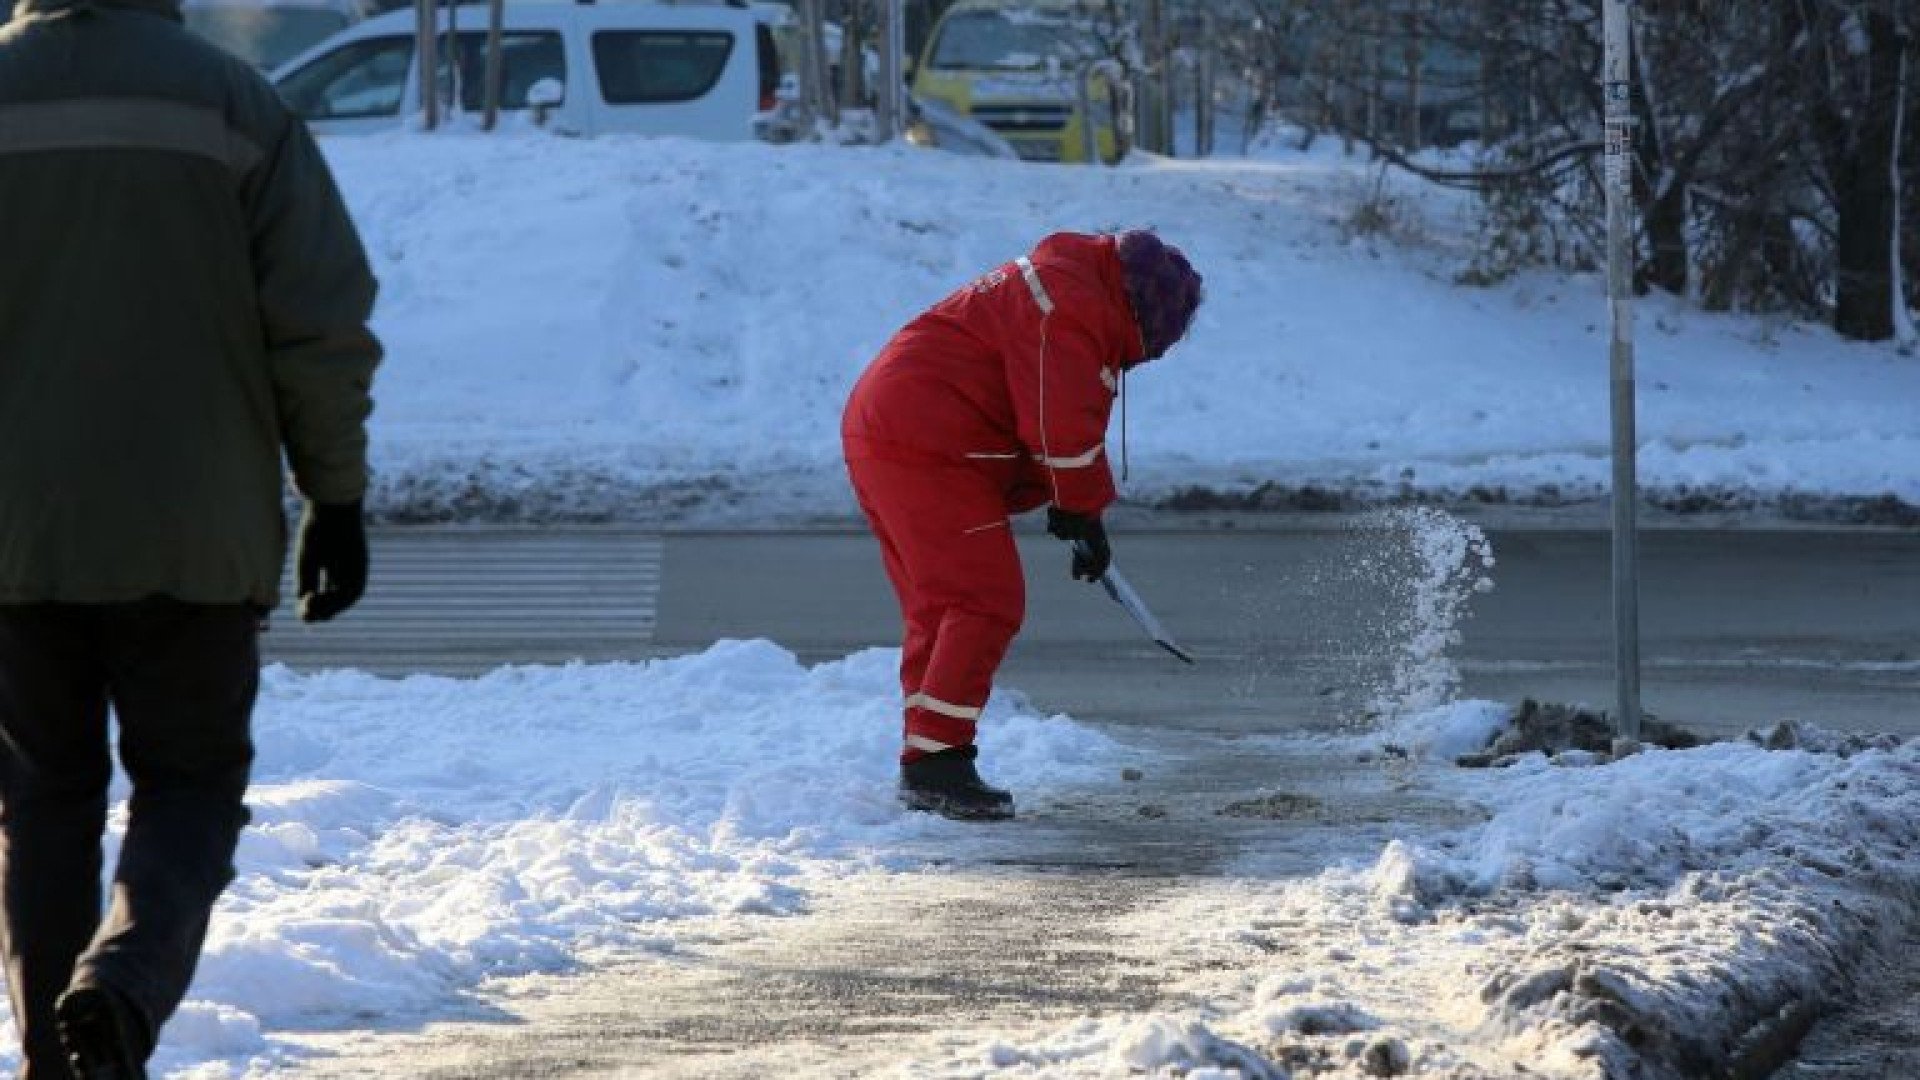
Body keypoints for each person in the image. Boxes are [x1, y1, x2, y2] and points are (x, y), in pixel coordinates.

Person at [0, 0, 380, 1074]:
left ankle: (51, 1061)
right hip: (195, 531)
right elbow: (319, 321)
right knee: (191, 786)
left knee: (40, 798)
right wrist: (334, 499)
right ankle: (120, 985)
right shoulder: (231, 102)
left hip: (17, 534)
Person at [842, 231, 1203, 822]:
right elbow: (1060, 428)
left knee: (943, 608)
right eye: (1156, 342)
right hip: (925, 440)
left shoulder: (1071, 288)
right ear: (1145, 312)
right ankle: (937, 767)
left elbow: (1055, 419)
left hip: (897, 428)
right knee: (982, 600)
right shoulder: (1072, 307)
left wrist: (1080, 507)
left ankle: (930, 755)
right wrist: (1081, 509)